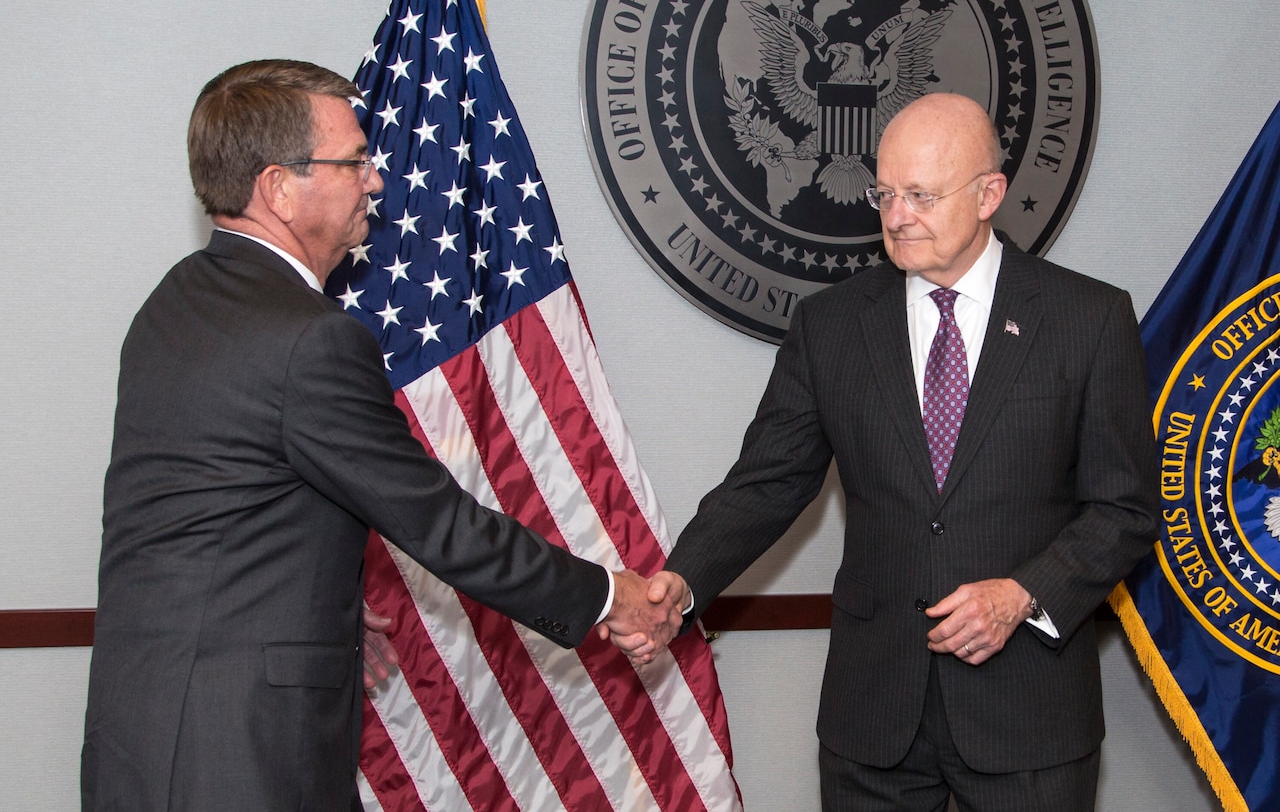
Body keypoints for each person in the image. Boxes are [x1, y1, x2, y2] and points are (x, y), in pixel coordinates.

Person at [81, 59, 679, 812]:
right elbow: (439, 521)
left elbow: (211, 509)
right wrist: (606, 596)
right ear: (278, 187)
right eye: (355, 160)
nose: (374, 179)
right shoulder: (308, 340)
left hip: (144, 728)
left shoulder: (173, 303)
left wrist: (315, 601)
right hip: (239, 751)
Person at [634, 93, 1160, 810]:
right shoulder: (832, 325)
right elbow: (767, 482)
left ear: (988, 194)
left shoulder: (1087, 319)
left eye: (920, 194)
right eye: (885, 192)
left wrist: (1021, 593)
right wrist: (683, 582)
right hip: (874, 713)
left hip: (1028, 715)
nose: (895, 214)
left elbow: (1123, 508)